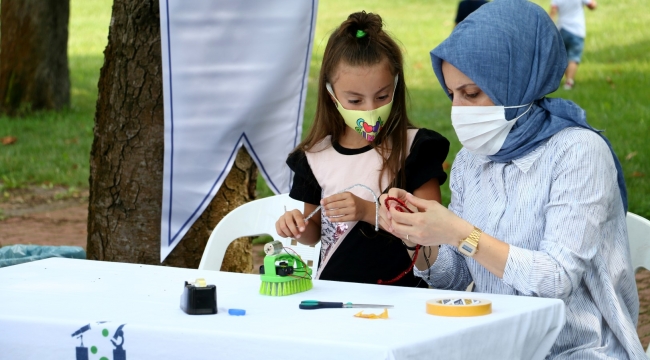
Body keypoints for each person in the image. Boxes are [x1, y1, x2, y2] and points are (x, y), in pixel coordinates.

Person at [379, 0, 645, 357]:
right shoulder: (472, 162)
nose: (458, 110)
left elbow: (557, 280)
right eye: (452, 94)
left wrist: (459, 232)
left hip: (578, 350)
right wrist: (418, 238)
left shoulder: (578, 152)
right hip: (498, 346)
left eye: (471, 93)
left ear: (517, 82)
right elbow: (454, 277)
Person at [275, 11, 450, 287]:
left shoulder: (416, 149)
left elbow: (432, 239)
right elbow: (315, 233)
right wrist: (295, 226)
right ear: (332, 95)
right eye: (355, 100)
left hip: (404, 301)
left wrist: (367, 211)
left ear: (396, 86)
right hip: (333, 297)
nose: (370, 110)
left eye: (382, 96)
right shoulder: (314, 158)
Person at [549, 0, 597, 90]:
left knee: (565, 56)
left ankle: (567, 79)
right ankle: (569, 81)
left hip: (562, 29)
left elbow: (553, 11)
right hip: (577, 30)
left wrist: (550, 27)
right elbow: (592, 5)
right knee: (574, 57)